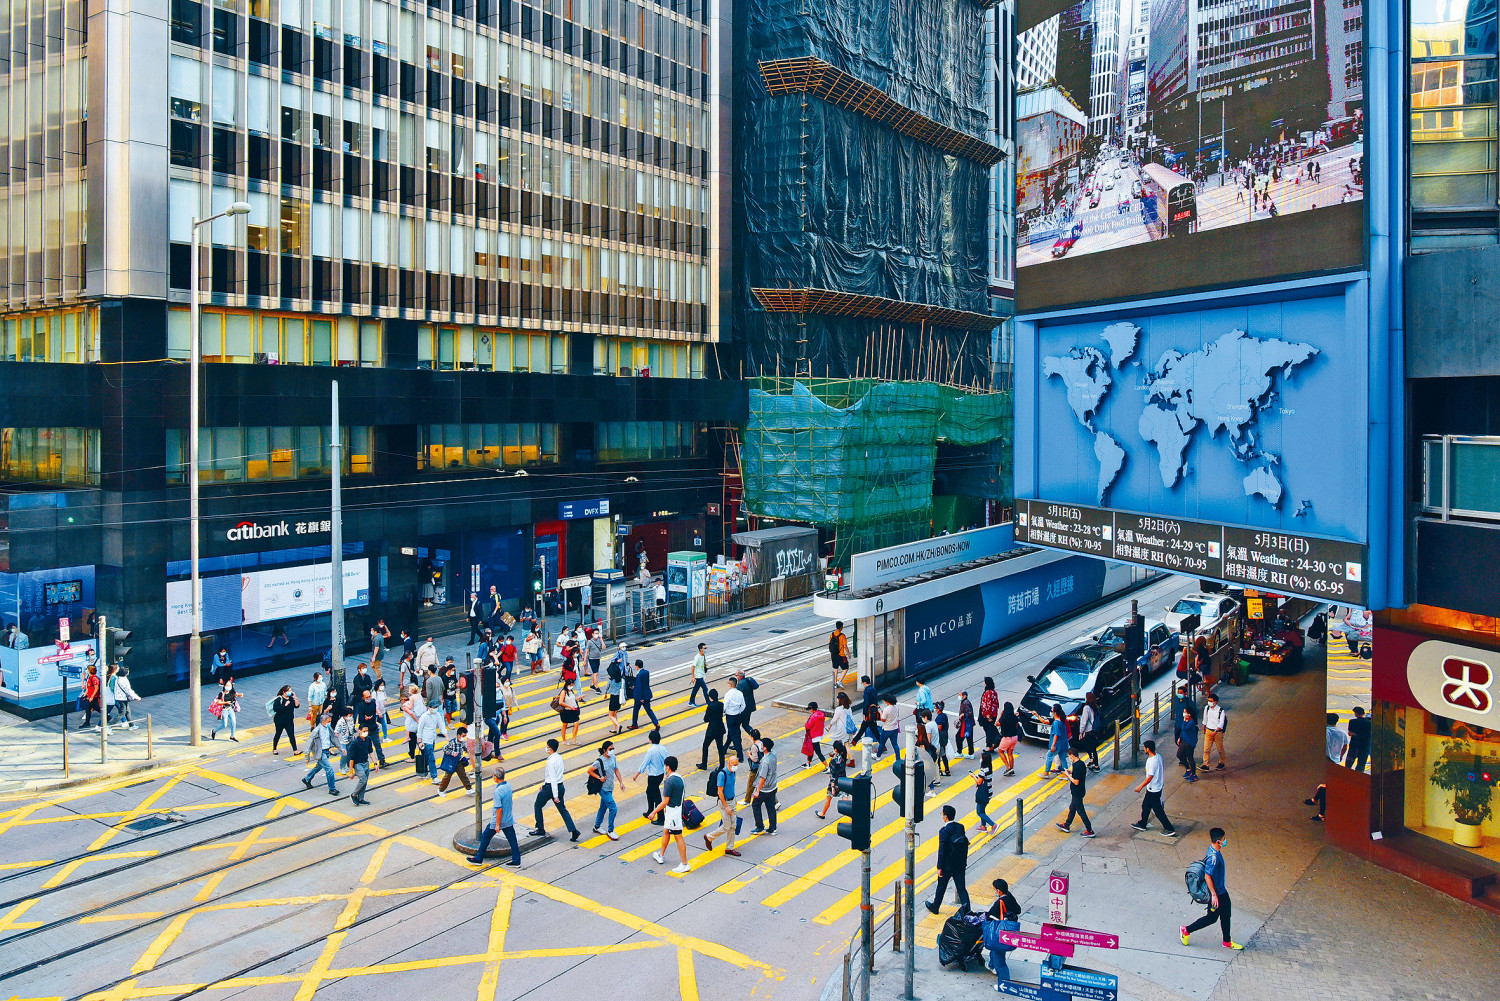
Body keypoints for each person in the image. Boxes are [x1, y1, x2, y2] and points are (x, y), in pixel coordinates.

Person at [1181, 827, 1243, 949]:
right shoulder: (1213, 858)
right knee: (1211, 918)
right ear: (1218, 841)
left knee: (1226, 914)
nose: (1225, 841)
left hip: (1221, 891)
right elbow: (1207, 876)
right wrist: (1214, 895)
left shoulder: (1215, 851)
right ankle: (1186, 930)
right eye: (1224, 839)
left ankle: (1227, 941)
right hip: (1217, 893)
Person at [468, 768, 522, 866]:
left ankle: (479, 858)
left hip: (498, 820)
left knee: (485, 836)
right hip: (508, 819)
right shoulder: (508, 786)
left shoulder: (498, 791)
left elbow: (499, 809)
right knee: (512, 840)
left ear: (496, 778)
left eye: (493, 776)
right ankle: (516, 860)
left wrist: (497, 824)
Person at [530, 738, 581, 842]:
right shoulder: (559, 757)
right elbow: (555, 775)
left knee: (538, 805)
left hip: (551, 788)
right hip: (560, 786)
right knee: (563, 809)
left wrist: (555, 795)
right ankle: (574, 830)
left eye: (547, 746)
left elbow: (553, 778)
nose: (546, 748)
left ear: (550, 748)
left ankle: (540, 828)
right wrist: (544, 784)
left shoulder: (550, 762)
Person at [648, 756, 691, 874]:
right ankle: (661, 855)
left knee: (678, 836)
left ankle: (684, 864)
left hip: (673, 813)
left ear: (667, 767)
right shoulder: (679, 778)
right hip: (676, 810)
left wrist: (654, 812)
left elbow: (665, 801)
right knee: (666, 831)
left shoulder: (669, 781)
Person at [926, 804, 971, 914]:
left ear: (945, 817)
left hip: (947, 865)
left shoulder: (944, 831)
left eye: (942, 814)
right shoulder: (960, 827)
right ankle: (968, 911)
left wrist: (939, 866)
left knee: (941, 886)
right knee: (961, 889)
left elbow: (942, 851)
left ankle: (935, 907)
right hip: (960, 864)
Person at [1131, 740, 1178, 835]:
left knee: (1158, 810)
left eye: (1144, 748)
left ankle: (1169, 828)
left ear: (1148, 749)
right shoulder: (1158, 756)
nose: (1143, 749)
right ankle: (1142, 824)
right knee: (1145, 806)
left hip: (1153, 790)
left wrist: (1140, 786)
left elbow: (1150, 777)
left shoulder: (1151, 761)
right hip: (1155, 788)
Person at [703, 750, 742, 857]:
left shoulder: (733, 772)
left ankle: (729, 848)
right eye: (734, 765)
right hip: (724, 803)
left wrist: (734, 799)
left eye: (737, 765)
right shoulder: (722, 774)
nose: (736, 767)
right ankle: (709, 837)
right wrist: (726, 807)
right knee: (726, 826)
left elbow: (732, 786)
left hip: (732, 801)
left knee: (733, 826)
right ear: (729, 763)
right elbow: (720, 792)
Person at [985, 878, 1022, 985]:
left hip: (1000, 932)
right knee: (995, 950)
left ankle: (1005, 983)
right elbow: (1018, 910)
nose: (995, 892)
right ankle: (992, 965)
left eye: (995, 890)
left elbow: (990, 915)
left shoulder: (1000, 902)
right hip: (1010, 930)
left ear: (999, 891)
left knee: (999, 959)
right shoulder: (1010, 897)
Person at [1055, 747, 1096, 837]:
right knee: (1072, 808)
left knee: (1081, 811)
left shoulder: (1076, 766)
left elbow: (1076, 781)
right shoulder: (1081, 763)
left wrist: (1067, 775)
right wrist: (1070, 772)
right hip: (1080, 790)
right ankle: (1067, 825)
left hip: (1077, 791)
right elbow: (1078, 775)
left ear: (1072, 756)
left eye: (1069, 756)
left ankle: (1089, 830)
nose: (1069, 758)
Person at [589, 740, 626, 840]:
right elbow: (589, 770)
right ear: (605, 750)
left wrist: (621, 782)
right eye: (610, 749)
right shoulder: (599, 761)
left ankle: (597, 826)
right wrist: (599, 778)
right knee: (613, 808)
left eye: (613, 748)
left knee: (603, 807)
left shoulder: (613, 757)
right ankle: (611, 830)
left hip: (610, 787)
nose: (612, 751)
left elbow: (616, 769)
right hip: (603, 789)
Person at [636, 728, 669, 824]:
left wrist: (637, 774)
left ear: (650, 740)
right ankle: (650, 810)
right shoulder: (663, 748)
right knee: (649, 791)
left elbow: (644, 763)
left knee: (656, 795)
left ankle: (661, 818)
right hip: (660, 775)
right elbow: (666, 761)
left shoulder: (650, 751)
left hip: (653, 776)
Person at [301, 711, 340, 795]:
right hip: (321, 752)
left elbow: (333, 738)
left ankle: (307, 778)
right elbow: (309, 744)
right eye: (329, 722)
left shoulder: (328, 728)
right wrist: (306, 757)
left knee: (319, 767)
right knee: (329, 770)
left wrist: (340, 748)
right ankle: (332, 788)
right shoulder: (316, 731)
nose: (330, 723)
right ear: (323, 721)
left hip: (327, 751)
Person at [750, 737, 780, 835]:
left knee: (755, 805)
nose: (760, 746)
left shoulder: (765, 762)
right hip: (773, 786)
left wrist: (757, 791)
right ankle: (772, 828)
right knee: (771, 807)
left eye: (762, 745)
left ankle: (759, 826)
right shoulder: (773, 754)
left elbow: (762, 778)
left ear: (765, 748)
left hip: (764, 789)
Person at [353, 689, 387, 768]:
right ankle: (358, 762)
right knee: (363, 747)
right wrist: (366, 719)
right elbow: (360, 719)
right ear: (363, 698)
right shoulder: (361, 706)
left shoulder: (373, 702)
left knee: (377, 745)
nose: (368, 698)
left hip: (373, 727)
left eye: (369, 696)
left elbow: (374, 713)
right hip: (365, 729)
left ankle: (382, 761)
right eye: (367, 697)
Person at [816, 740, 850, 819]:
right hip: (844, 781)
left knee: (828, 798)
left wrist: (832, 786)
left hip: (835, 782)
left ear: (835, 749)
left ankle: (823, 813)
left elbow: (833, 775)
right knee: (846, 800)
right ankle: (853, 818)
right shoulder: (843, 756)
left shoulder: (833, 760)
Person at [438, 726, 474, 795]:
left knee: (463, 775)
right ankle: (441, 790)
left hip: (459, 761)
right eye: (463, 736)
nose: (464, 737)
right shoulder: (452, 742)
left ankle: (469, 788)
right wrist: (452, 753)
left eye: (465, 736)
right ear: (458, 735)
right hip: (452, 762)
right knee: (447, 776)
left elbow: (465, 747)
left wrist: (467, 751)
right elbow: (444, 748)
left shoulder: (463, 742)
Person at [347, 723, 375, 805]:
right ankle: (354, 794)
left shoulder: (368, 739)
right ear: (359, 731)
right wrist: (351, 771)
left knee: (365, 781)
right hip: (358, 764)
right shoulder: (354, 743)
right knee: (363, 779)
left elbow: (371, 751)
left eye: (367, 731)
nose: (366, 732)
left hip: (366, 763)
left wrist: (375, 763)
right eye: (364, 731)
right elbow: (351, 759)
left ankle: (361, 798)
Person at [699, 689, 726, 770]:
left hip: (712, 729)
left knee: (705, 746)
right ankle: (722, 765)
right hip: (720, 728)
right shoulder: (721, 704)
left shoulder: (710, 706)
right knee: (720, 747)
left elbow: (706, 719)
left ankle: (704, 764)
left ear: (710, 697)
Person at [415, 701, 441, 781]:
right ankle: (434, 776)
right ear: (429, 708)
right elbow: (419, 729)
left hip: (432, 739)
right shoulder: (424, 716)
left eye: (436, 707)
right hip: (425, 741)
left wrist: (446, 735)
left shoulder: (437, 715)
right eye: (434, 707)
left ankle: (423, 773)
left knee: (426, 757)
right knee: (431, 758)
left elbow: (441, 725)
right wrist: (419, 741)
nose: (435, 709)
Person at [1202, 692, 1228, 770]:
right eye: (1208, 700)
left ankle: (1222, 762)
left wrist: (1216, 731)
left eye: (1211, 701)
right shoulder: (1207, 708)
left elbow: (1221, 723)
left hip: (1217, 733)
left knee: (1220, 749)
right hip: (1208, 731)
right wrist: (1204, 728)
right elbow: (1205, 719)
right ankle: (1206, 765)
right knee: (1206, 749)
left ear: (1215, 702)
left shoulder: (1221, 711)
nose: (1209, 702)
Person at [630, 660, 660, 730]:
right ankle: (656, 723)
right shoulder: (646, 672)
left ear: (637, 666)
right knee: (649, 710)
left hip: (640, 697)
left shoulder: (639, 675)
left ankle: (634, 724)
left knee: (636, 710)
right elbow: (644, 684)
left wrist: (641, 698)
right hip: (647, 695)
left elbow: (640, 687)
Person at [851, 676, 879, 746]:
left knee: (873, 729)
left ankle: (882, 745)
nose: (861, 683)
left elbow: (866, 703)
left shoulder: (867, 691)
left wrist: (864, 713)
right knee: (864, 727)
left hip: (868, 713)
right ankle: (855, 740)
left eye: (862, 682)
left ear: (865, 682)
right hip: (873, 711)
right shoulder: (873, 688)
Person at [973, 750, 997, 832]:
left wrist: (973, 776)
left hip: (983, 792)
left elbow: (979, 781)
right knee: (982, 809)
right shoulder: (989, 768)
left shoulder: (983, 770)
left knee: (979, 812)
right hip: (988, 791)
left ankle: (993, 824)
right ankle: (983, 826)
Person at [272, 685, 300, 754]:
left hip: (289, 720)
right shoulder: (279, 699)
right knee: (278, 734)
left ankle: (295, 750)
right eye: (289, 691)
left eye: (291, 690)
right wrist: (285, 705)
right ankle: (274, 748)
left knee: (291, 735)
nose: (290, 692)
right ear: (284, 692)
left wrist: (295, 698)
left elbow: (297, 706)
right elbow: (275, 709)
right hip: (280, 721)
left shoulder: (291, 698)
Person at [604, 647, 626, 734]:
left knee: (610, 715)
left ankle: (618, 725)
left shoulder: (611, 679)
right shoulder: (621, 679)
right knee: (615, 713)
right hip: (619, 697)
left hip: (613, 697)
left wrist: (605, 694)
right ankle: (615, 728)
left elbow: (607, 687)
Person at [723, 681, 747, 759]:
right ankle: (724, 748)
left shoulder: (728, 694)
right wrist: (739, 711)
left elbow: (725, 705)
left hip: (730, 716)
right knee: (733, 732)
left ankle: (740, 755)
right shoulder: (740, 693)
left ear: (730, 685)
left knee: (734, 735)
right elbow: (743, 705)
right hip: (737, 715)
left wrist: (725, 712)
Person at [1079, 692, 1103, 771]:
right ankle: (1092, 761)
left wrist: (1081, 732)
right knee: (1092, 747)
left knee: (1086, 745)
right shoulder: (1095, 707)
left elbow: (1084, 721)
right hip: (1095, 730)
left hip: (1089, 731)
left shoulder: (1086, 708)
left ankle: (1096, 765)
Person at [1176, 705, 1200, 782]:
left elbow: (1184, 729)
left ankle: (1194, 775)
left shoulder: (1191, 722)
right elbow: (1183, 732)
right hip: (1184, 741)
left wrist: (1184, 721)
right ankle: (1188, 768)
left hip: (1190, 742)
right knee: (1179, 755)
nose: (1184, 714)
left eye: (1185, 712)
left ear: (1189, 714)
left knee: (1190, 758)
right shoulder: (1187, 721)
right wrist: (1180, 737)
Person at [1045, 704, 1069, 774]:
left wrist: (1053, 745)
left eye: (1052, 712)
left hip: (1057, 744)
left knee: (1049, 756)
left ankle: (1046, 772)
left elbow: (1056, 734)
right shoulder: (1062, 721)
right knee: (1063, 758)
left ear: (1055, 713)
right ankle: (1066, 774)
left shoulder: (1056, 723)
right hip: (1063, 744)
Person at [997, 702, 1020, 776]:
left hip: (1007, 738)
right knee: (1010, 753)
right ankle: (1012, 768)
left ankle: (1008, 768)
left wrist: (1001, 715)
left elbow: (997, 723)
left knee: (1000, 751)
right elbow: (1016, 726)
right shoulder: (1015, 717)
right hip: (1015, 737)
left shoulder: (1004, 718)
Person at [556, 680, 582, 745]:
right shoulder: (563, 692)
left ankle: (574, 739)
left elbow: (572, 699)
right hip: (566, 711)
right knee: (565, 725)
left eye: (572, 685)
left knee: (576, 724)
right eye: (570, 685)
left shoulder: (571, 691)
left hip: (574, 710)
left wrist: (579, 698)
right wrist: (570, 707)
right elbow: (561, 702)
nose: (571, 686)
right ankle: (564, 740)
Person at [1346, 706, 1371, 772]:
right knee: (1361, 764)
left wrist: (1356, 734)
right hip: (1365, 746)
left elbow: (1350, 733)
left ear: (1356, 713)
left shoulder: (1352, 721)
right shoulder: (1369, 722)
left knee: (1349, 763)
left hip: (1354, 745)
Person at [802, 702, 827, 767]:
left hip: (813, 736)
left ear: (812, 709)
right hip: (819, 734)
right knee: (811, 749)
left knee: (818, 752)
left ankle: (827, 766)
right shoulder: (821, 714)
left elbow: (807, 726)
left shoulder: (813, 717)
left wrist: (806, 723)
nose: (810, 710)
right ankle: (808, 763)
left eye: (810, 709)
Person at [736, 671, 761, 736]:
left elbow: (737, 695)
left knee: (736, 725)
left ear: (740, 676)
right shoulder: (747, 681)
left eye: (737, 676)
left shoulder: (741, 683)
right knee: (745, 724)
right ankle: (755, 736)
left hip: (744, 708)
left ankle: (737, 743)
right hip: (750, 706)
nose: (736, 677)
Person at [687, 642, 710, 706]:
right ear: (700, 649)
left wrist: (705, 665)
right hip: (698, 676)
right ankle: (708, 702)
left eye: (705, 648)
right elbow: (693, 667)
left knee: (696, 689)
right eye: (704, 648)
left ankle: (691, 702)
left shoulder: (703, 655)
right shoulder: (697, 657)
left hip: (701, 674)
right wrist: (693, 677)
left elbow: (700, 664)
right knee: (705, 688)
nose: (705, 649)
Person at [828, 621, 850, 689]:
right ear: (841, 627)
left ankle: (835, 684)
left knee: (835, 669)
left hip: (833, 655)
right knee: (845, 668)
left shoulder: (832, 634)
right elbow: (845, 646)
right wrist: (848, 653)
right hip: (841, 655)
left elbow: (830, 643)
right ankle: (840, 681)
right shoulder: (842, 636)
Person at [957, 691, 976, 758]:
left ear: (964, 696)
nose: (959, 697)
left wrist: (963, 714)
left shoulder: (966, 703)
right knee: (969, 738)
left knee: (959, 737)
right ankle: (971, 753)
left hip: (966, 723)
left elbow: (969, 713)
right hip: (968, 723)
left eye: (960, 695)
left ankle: (959, 752)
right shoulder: (964, 702)